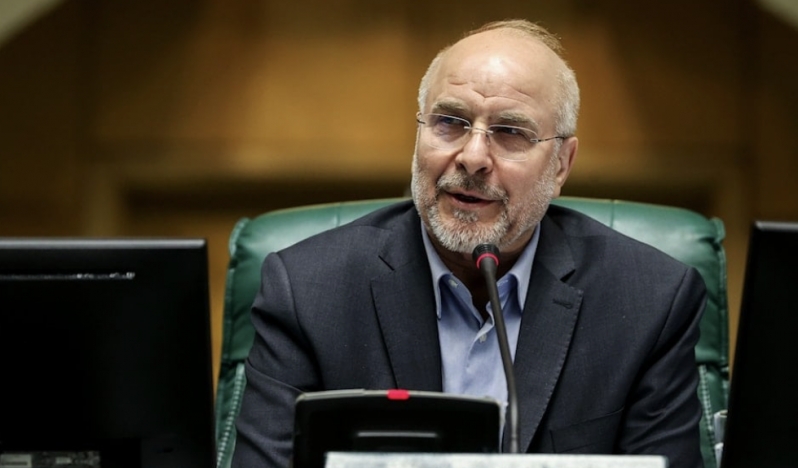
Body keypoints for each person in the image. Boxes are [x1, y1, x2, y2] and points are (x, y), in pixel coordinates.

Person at [232, 19, 706, 468]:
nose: (473, 156)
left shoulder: (649, 302)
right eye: (450, 121)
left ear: (561, 164)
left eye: (511, 132)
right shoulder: (308, 292)